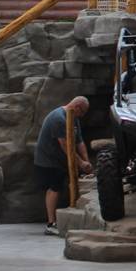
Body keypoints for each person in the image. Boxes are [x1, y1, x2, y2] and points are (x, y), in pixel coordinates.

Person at [35, 96, 93, 236]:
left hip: (61, 159)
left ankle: (66, 211)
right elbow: (66, 146)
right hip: (48, 160)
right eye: (83, 112)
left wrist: (87, 162)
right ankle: (51, 223)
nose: (83, 115)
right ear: (77, 107)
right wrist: (80, 163)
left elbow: (79, 142)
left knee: (64, 184)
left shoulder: (74, 118)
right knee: (54, 188)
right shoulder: (58, 118)